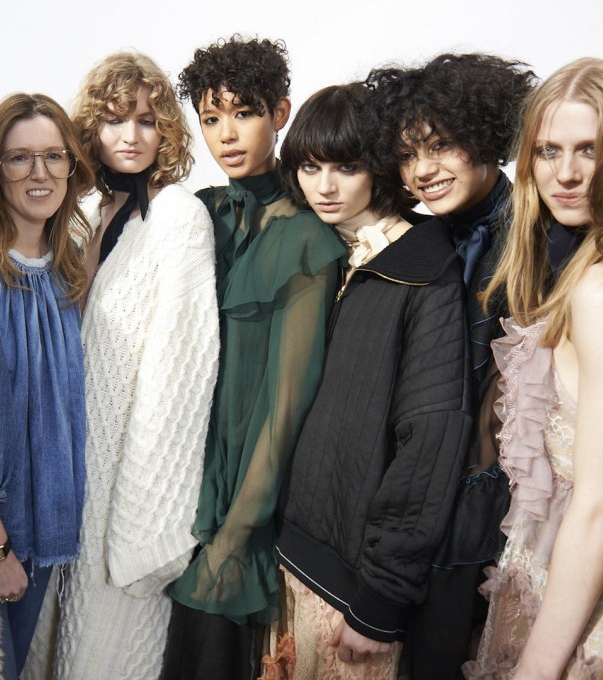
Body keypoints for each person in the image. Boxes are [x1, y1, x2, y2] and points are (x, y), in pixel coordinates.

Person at [160, 36, 346, 679]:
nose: (226, 134)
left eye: (244, 113)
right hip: (175, 492)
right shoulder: (199, 215)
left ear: (281, 113)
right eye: (210, 118)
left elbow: (287, 405)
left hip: (241, 502)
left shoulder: (307, 238)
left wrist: (238, 534)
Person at [272, 83, 470, 680]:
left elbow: (429, 446)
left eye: (346, 167)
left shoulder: (426, 270)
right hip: (291, 560)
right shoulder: (324, 253)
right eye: (310, 166)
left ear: (380, 167)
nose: (325, 187)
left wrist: (381, 600)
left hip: (356, 587)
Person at [32, 51, 219, 680]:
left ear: (166, 128)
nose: (130, 137)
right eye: (114, 122)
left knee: (102, 655)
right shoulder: (83, 214)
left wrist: (149, 522)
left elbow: (182, 373)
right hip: (66, 472)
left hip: (127, 483)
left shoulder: (179, 218)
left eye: (145, 121)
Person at [366, 53, 537, 679]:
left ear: (486, 134)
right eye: (408, 156)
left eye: (440, 147)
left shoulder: (535, 233)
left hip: (498, 497)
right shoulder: (423, 234)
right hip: (424, 486)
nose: (423, 171)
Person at [0, 92, 92, 680]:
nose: (40, 173)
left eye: (54, 157)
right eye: (19, 159)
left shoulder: (68, 266)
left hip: (45, 531)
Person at [464, 57, 603, 680]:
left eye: (589, 150)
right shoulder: (565, 270)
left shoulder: (596, 292)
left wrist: (538, 669)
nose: (566, 174)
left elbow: (599, 506)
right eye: (548, 151)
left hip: (576, 615)